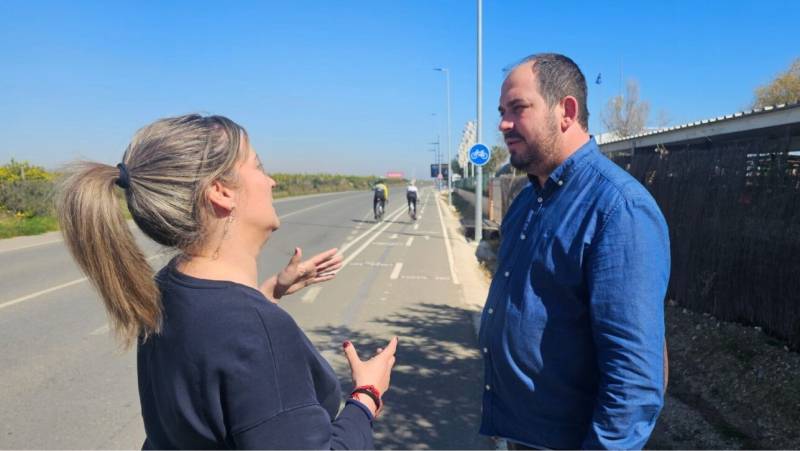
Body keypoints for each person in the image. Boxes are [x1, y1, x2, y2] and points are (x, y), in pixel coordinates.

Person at [57, 114, 398, 449]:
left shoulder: (167, 285)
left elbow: (217, 340)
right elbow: (237, 341)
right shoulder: (259, 334)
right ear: (221, 192)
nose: (271, 181)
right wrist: (366, 396)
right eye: (258, 166)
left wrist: (271, 291)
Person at [478, 53, 670, 449]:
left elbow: (633, 383)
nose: (502, 124)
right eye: (502, 111)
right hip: (520, 436)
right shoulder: (527, 201)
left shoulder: (618, 210)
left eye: (518, 108)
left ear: (565, 111)